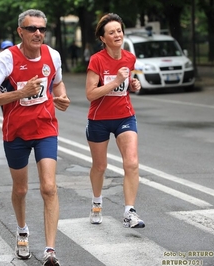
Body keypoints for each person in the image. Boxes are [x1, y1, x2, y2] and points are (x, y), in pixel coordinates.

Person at [0, 9, 70, 266]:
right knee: (20, 189)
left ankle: (50, 251)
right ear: (21, 31)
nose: (38, 33)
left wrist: (61, 97)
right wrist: (20, 94)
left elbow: (57, 83)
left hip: (45, 129)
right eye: (32, 28)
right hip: (16, 133)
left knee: (49, 187)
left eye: (42, 28)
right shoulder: (6, 60)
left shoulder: (53, 55)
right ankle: (22, 231)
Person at [85, 13, 144, 228]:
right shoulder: (97, 60)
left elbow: (126, 84)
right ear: (103, 38)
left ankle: (129, 212)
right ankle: (97, 203)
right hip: (99, 119)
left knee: (132, 162)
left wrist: (132, 84)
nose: (117, 35)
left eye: (119, 31)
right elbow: (90, 94)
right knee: (100, 166)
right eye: (112, 32)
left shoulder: (129, 58)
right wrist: (118, 80)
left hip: (124, 117)